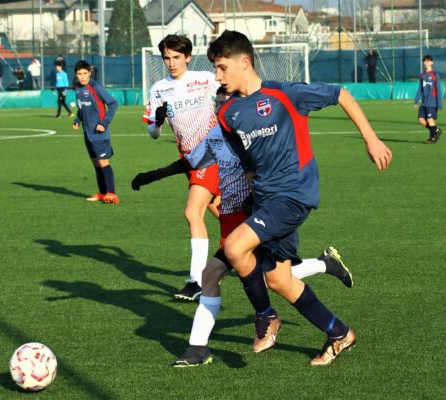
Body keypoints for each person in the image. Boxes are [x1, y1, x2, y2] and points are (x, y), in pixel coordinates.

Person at [205, 30, 392, 366]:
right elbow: (248, 163)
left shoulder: (285, 94)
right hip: (265, 199)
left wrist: (372, 140)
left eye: (221, 68)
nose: (217, 76)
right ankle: (339, 334)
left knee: (234, 248)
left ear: (243, 62)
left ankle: (265, 317)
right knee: (278, 279)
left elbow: (342, 95)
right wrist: (240, 199)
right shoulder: (228, 113)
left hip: (294, 194)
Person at [131, 121, 354, 368]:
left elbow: (276, 166)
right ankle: (331, 307)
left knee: (266, 279)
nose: (222, 103)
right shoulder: (215, 136)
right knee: (269, 279)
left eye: (227, 96)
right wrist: (154, 175)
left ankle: (265, 323)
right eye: (219, 98)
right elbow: (193, 161)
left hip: (258, 221)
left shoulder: (254, 132)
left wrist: (261, 199)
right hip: (237, 223)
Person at [142, 34, 221, 302]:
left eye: (176, 57)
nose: (171, 62)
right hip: (189, 160)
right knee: (225, 214)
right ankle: (273, 252)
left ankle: (196, 280)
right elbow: (152, 132)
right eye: (166, 57)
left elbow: (229, 97)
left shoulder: (205, 79)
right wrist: (158, 122)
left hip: (212, 155)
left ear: (188, 57)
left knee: (191, 212)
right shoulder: (158, 89)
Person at [72, 60, 119, 204]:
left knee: (103, 162)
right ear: (76, 75)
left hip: (99, 133)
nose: (82, 77)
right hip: (87, 134)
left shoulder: (95, 87)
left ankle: (112, 194)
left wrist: (104, 124)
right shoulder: (77, 89)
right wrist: (77, 120)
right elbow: (82, 109)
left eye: (85, 73)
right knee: (96, 163)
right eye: (79, 74)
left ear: (89, 73)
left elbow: (113, 104)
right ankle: (102, 193)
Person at [414, 55, 443, 144]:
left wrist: (439, 104)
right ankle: (436, 130)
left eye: (428, 61)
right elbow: (420, 89)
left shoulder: (435, 75)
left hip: (432, 102)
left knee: (430, 119)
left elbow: (438, 90)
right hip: (424, 103)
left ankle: (432, 138)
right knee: (421, 120)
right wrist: (416, 101)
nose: (426, 63)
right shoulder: (422, 75)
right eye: (425, 61)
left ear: (432, 62)